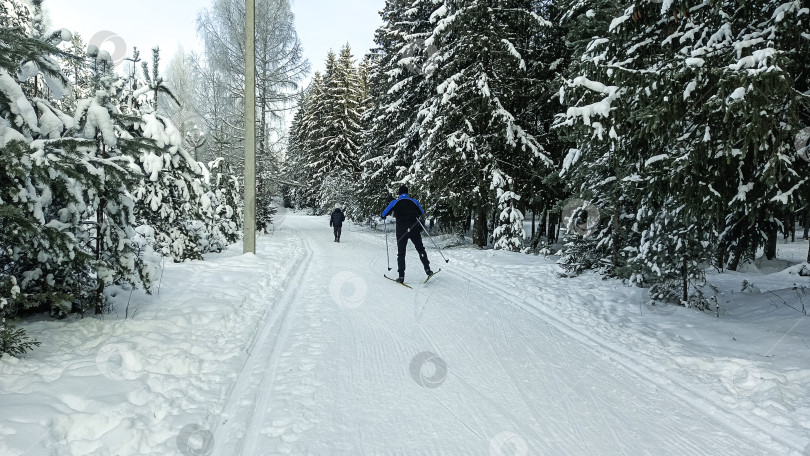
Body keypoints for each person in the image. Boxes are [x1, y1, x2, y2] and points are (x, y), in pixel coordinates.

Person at [381, 185, 433, 283]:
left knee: (401, 253)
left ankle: (401, 276)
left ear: (399, 193)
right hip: (414, 229)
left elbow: (383, 214)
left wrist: (385, 216)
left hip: (401, 231)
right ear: (407, 193)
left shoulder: (395, 202)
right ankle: (427, 269)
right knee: (420, 249)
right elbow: (421, 212)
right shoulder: (414, 201)